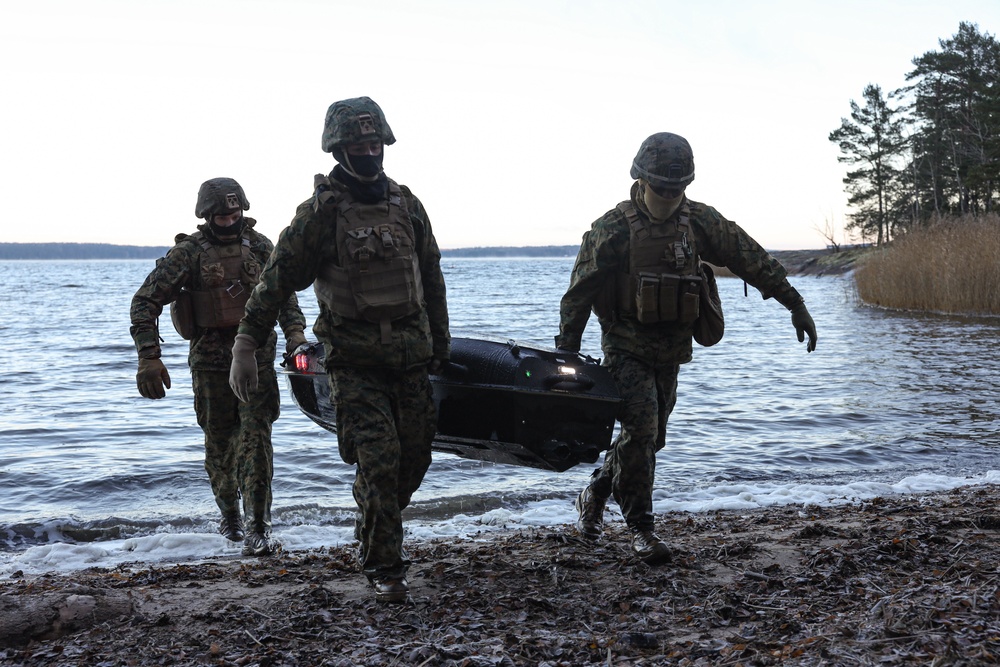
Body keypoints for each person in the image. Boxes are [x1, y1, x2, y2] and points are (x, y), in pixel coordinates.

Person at [555, 132, 817, 564]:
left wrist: (795, 304)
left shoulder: (699, 222)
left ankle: (596, 492)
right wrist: (567, 353)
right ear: (640, 180)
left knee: (652, 439)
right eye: (662, 188)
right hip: (625, 346)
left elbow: (748, 256)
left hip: (672, 348)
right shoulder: (612, 229)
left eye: (678, 189)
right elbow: (579, 294)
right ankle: (642, 529)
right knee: (639, 433)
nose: (669, 197)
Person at [228, 97, 450, 603]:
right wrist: (245, 343)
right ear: (338, 149)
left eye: (376, 143)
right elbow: (276, 281)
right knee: (380, 459)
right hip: (353, 361)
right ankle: (385, 567)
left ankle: (371, 517)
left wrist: (441, 343)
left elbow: (431, 277)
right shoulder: (319, 215)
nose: (369, 152)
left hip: (412, 356)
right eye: (358, 145)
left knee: (414, 460)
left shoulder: (407, 203)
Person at [130, 177, 308, 557]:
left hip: (257, 361)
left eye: (233, 214)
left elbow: (285, 296)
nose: (227, 221)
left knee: (257, 440)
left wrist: (295, 335)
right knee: (220, 444)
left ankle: (258, 526)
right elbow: (145, 302)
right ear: (206, 215)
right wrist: (148, 355)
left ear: (242, 209)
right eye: (219, 216)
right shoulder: (188, 254)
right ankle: (230, 517)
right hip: (210, 364)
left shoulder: (261, 247)